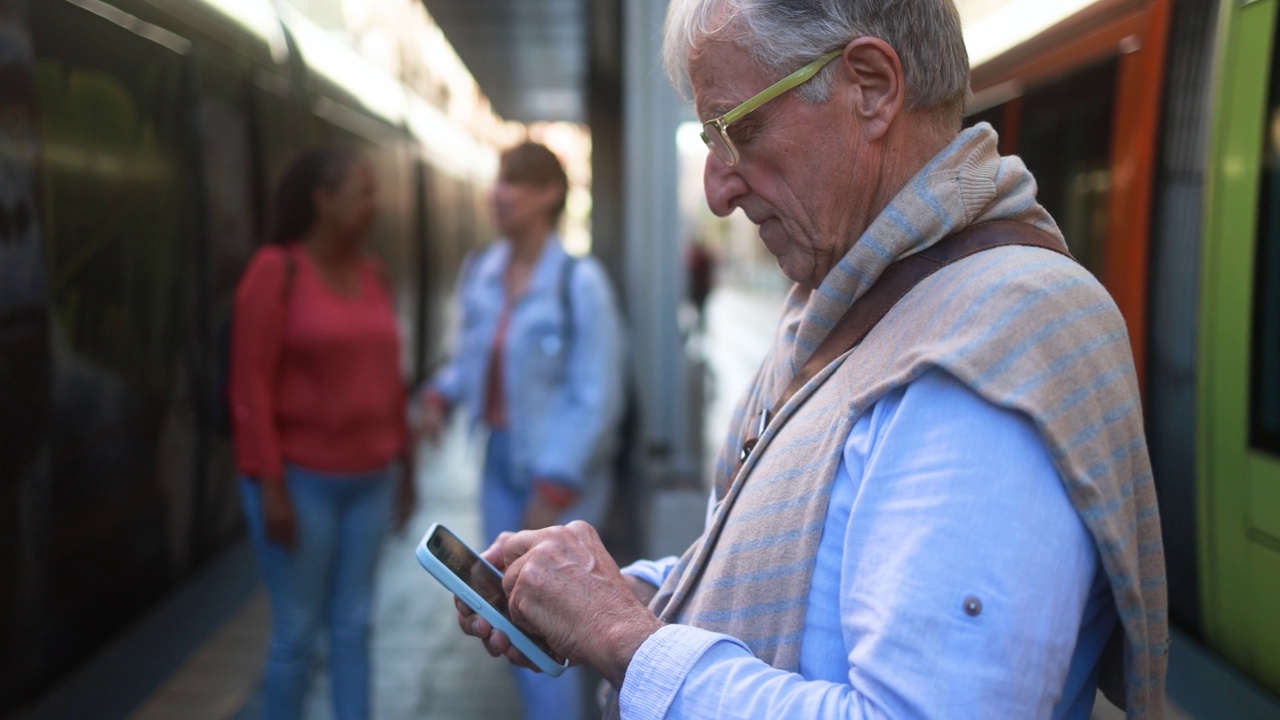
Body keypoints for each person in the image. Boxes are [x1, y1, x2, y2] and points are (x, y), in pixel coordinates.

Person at [455, 1, 1170, 719]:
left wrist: (621, 637)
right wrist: (615, 595)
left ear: (871, 87)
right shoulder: (847, 297)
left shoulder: (999, 340)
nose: (717, 188)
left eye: (739, 130)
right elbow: (788, 584)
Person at [418, 141, 626, 720]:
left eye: (515, 181)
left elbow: (597, 394)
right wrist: (439, 395)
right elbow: (470, 358)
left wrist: (553, 485)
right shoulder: (481, 272)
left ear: (550, 195)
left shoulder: (580, 284)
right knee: (510, 615)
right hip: (498, 465)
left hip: (557, 477)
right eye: (499, 179)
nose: (498, 193)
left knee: (546, 618)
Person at [230, 148, 415, 720]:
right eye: (362, 192)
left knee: (354, 624)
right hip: (301, 482)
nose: (374, 205)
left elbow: (388, 381)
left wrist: (404, 466)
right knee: (298, 633)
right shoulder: (275, 270)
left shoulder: (372, 274)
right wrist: (269, 486)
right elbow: (248, 389)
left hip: (370, 481)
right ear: (324, 201)